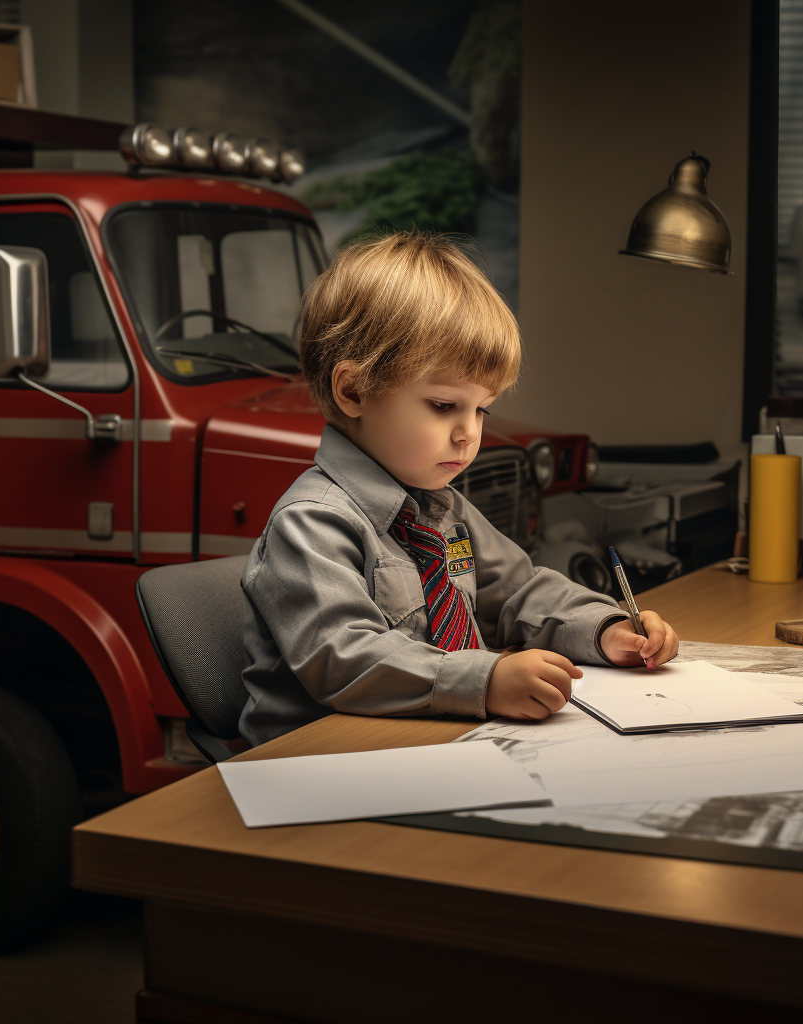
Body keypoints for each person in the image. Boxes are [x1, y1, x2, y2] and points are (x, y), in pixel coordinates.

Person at [238, 231, 678, 745]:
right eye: (444, 405)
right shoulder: (310, 523)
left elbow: (519, 590)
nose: (469, 432)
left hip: (434, 745)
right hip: (322, 764)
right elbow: (343, 658)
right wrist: (483, 681)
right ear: (353, 390)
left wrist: (603, 629)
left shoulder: (443, 510)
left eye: (481, 408)